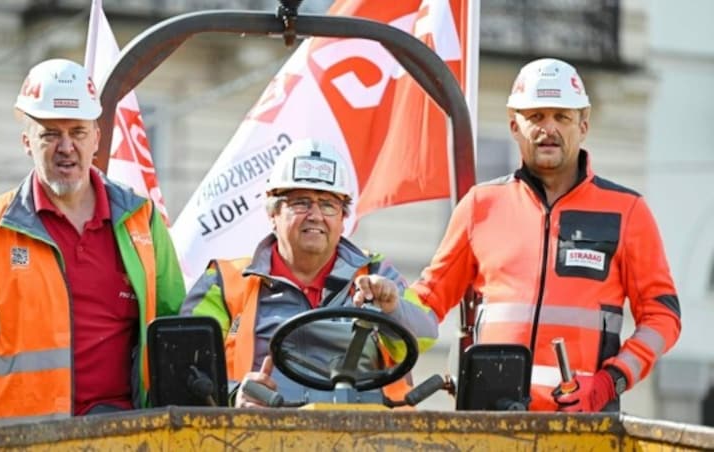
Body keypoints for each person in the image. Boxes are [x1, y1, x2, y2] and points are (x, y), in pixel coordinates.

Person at [411, 58, 681, 412]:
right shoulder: (480, 205)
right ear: (514, 125)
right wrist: (388, 315)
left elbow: (662, 318)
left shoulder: (627, 211)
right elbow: (428, 300)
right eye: (535, 116)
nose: (548, 128)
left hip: (582, 428)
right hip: (491, 424)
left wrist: (609, 381)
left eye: (561, 117)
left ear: (583, 125)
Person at [0, 59, 185, 430]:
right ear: (27, 142)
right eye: (50, 134)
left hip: (127, 435)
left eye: (77, 131)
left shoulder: (142, 219)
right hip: (25, 440)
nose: (66, 147)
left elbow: (174, 326)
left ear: (97, 139)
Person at [181, 138, 439, 407]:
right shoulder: (225, 282)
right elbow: (186, 366)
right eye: (301, 202)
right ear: (273, 213)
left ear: (342, 219)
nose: (315, 215)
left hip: (368, 438)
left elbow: (426, 337)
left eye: (328, 204)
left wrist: (393, 309)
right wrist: (235, 395)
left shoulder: (376, 274)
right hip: (260, 437)